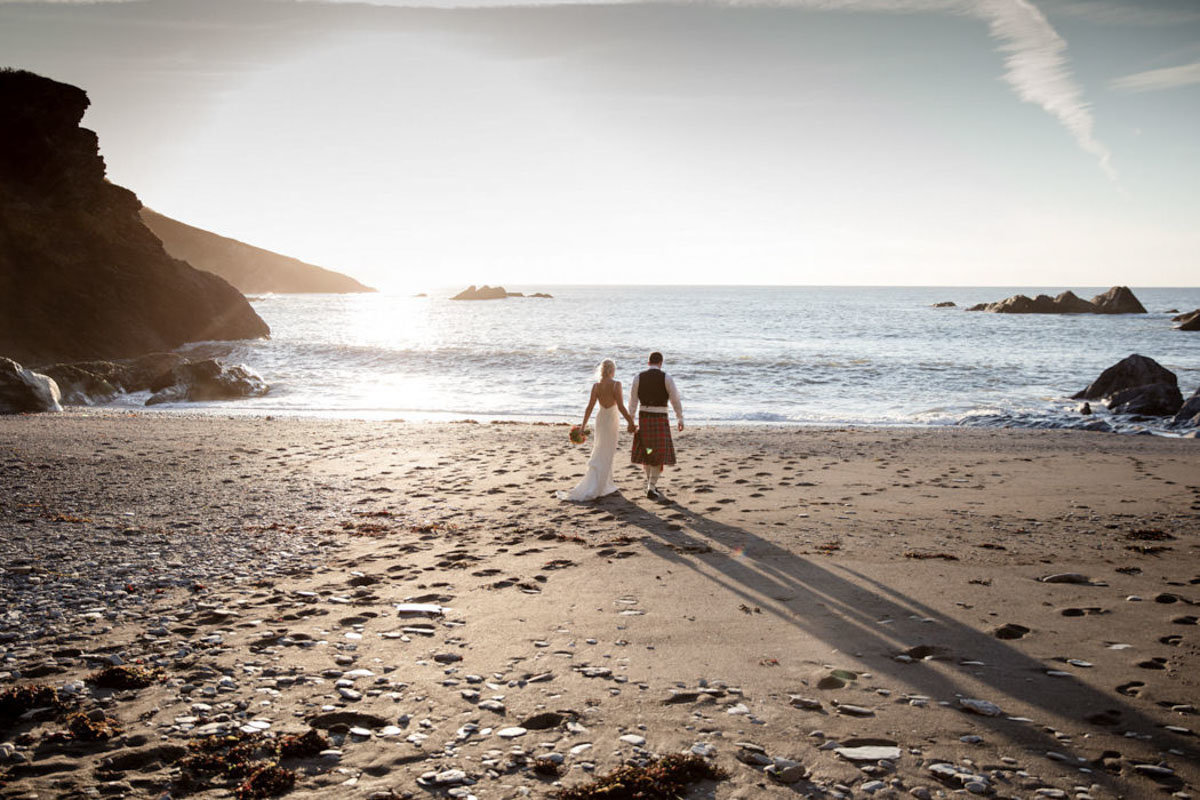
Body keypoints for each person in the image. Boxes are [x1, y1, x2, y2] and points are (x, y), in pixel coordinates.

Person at [557, 359, 637, 502]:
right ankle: (602, 485)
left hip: (600, 419)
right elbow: (621, 406)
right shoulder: (616, 385)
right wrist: (631, 422)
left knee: (600, 449)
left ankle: (605, 482)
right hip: (611, 419)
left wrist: (583, 426)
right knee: (608, 451)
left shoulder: (596, 386)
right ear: (612, 370)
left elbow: (589, 407)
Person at [629, 351, 683, 500]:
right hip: (660, 418)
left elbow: (633, 401)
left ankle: (650, 485)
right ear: (661, 363)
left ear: (648, 362)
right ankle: (651, 487)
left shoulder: (638, 377)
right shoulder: (667, 377)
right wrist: (680, 418)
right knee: (657, 454)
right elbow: (675, 400)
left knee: (648, 452)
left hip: (644, 418)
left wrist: (630, 420)